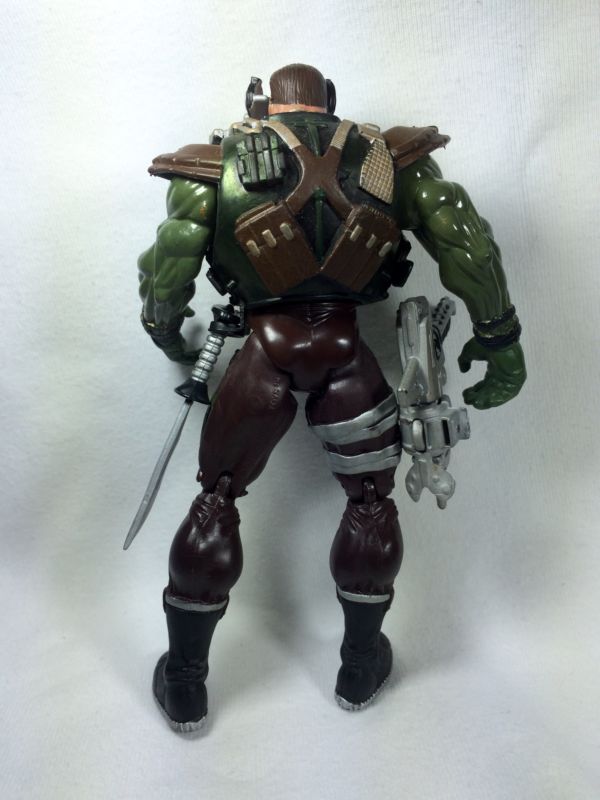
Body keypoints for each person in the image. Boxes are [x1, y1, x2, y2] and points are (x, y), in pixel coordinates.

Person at [137, 63, 526, 733]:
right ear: (331, 103)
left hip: (262, 358)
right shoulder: (389, 160)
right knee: (371, 503)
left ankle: (185, 682)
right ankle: (359, 667)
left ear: (263, 106)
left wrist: (167, 332)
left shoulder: (213, 167)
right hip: (346, 357)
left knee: (217, 499)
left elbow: (168, 263)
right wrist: (501, 339)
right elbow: (464, 239)